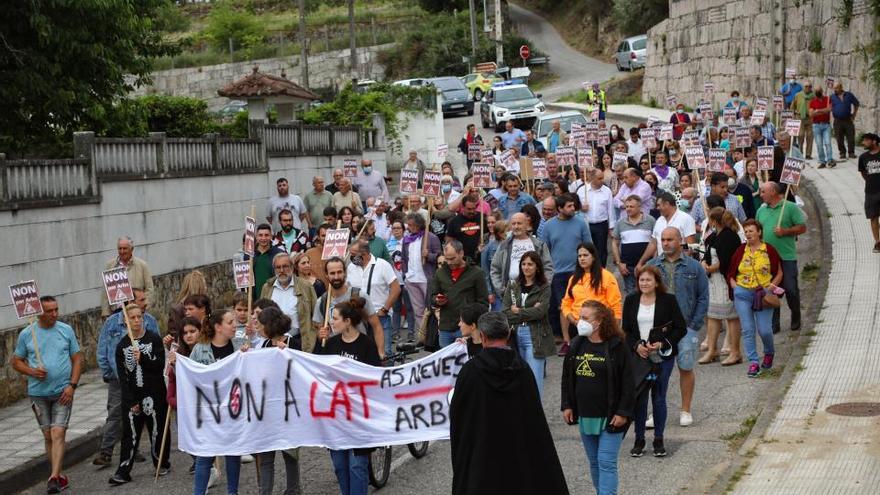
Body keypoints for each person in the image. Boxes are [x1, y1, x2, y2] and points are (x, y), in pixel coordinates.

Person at [450, 312, 569, 495]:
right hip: (519, 455)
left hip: (482, 458)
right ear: (508, 335)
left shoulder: (470, 372)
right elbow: (534, 419)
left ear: (482, 336)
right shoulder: (523, 370)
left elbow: (459, 418)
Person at [561, 300, 635, 494]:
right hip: (586, 414)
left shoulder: (617, 346)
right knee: (594, 463)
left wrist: (623, 412)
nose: (580, 322)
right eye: (579, 317)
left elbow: (628, 382)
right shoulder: (577, 344)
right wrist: (567, 405)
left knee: (606, 461)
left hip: (611, 416)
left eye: (585, 318)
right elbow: (567, 377)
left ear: (600, 321)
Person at [11, 296, 83, 493]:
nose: (55, 314)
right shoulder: (27, 334)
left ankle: (52, 478)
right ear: (38, 312)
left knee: (58, 432)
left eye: (56, 309)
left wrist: (72, 385)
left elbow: (77, 358)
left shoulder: (65, 330)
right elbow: (16, 361)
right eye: (49, 311)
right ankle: (58, 474)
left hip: (63, 392)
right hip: (38, 393)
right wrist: (32, 371)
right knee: (48, 435)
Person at [313, 297, 380, 495]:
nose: (331, 322)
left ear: (347, 321)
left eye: (335, 318)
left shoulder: (366, 345)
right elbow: (314, 368)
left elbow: (375, 377)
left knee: (356, 467)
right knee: (340, 466)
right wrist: (319, 342)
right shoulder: (331, 343)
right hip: (336, 417)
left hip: (359, 416)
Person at [646, 227, 709, 427]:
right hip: (659, 330)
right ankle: (657, 411)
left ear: (680, 240)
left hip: (685, 327)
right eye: (662, 240)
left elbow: (703, 297)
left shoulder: (694, 267)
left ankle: (686, 410)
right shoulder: (652, 266)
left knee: (686, 367)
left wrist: (694, 326)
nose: (665, 243)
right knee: (658, 371)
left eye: (670, 239)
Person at [622, 266, 687, 458]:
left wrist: (662, 343)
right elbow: (626, 330)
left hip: (662, 356)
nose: (644, 283)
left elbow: (680, 328)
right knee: (640, 398)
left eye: (648, 280)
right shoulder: (631, 300)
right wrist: (636, 346)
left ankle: (659, 438)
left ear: (657, 282)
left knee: (658, 397)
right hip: (639, 357)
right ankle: (639, 438)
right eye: (641, 280)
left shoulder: (669, 300)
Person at [94, 288, 159, 467]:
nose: (145, 303)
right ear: (129, 303)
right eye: (141, 299)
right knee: (115, 413)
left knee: (139, 413)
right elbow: (102, 349)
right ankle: (106, 452)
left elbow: (157, 346)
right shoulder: (112, 323)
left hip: (141, 377)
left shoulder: (151, 321)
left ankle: (134, 448)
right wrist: (108, 373)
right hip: (118, 378)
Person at [108, 303, 170, 485]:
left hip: (154, 393)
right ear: (126, 321)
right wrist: (131, 401)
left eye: (139, 317)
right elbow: (123, 377)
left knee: (156, 430)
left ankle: (161, 461)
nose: (136, 321)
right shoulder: (122, 346)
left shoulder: (154, 339)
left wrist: (143, 359)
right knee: (130, 433)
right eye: (132, 318)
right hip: (134, 395)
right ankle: (124, 469)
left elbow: (159, 367)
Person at [189, 309, 247, 495]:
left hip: (233, 410)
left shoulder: (239, 346)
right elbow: (190, 375)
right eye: (230, 322)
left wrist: (248, 355)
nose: (235, 324)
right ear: (218, 327)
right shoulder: (200, 349)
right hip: (209, 412)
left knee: (232, 453)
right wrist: (176, 364)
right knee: (205, 455)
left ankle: (233, 492)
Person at [727, 219, 784, 377]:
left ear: (759, 232)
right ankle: (753, 362)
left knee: (765, 330)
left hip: (763, 294)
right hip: (743, 293)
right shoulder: (740, 251)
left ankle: (769, 352)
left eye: (751, 230)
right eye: (746, 231)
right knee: (747, 329)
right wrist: (735, 287)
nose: (748, 234)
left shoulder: (769, 250)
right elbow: (731, 272)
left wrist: (771, 287)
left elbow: (779, 271)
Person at [538, 194, 592, 353]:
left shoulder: (581, 223)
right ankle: (566, 340)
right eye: (569, 206)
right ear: (559, 209)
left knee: (582, 305)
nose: (573, 209)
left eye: (573, 206)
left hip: (579, 272)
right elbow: (543, 251)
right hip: (558, 274)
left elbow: (589, 247)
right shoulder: (548, 226)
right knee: (563, 307)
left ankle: (583, 337)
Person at [501, 251, 554, 398]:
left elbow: (540, 312)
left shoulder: (544, 287)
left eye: (530, 264)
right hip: (516, 335)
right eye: (523, 264)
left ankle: (535, 416)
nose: (526, 267)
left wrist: (518, 311)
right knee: (518, 378)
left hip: (535, 336)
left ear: (537, 267)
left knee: (535, 379)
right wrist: (529, 310)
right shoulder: (513, 286)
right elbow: (505, 312)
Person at [755, 182, 806, 333]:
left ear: (773, 192)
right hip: (767, 259)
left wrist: (785, 231)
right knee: (773, 289)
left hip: (786, 256)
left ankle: (796, 315)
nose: (761, 194)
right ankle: (774, 323)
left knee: (790, 288)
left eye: (763, 191)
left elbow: (802, 227)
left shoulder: (789, 207)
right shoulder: (761, 210)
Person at [312, 257, 386, 357]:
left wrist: (381, 352)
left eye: (339, 272)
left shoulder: (360, 295)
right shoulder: (322, 302)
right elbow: (320, 331)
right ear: (326, 275)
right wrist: (321, 335)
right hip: (335, 354)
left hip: (361, 352)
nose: (336, 277)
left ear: (345, 273)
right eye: (332, 273)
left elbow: (376, 326)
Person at [700, 208, 745, 365]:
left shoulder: (729, 236)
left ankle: (735, 352)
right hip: (713, 283)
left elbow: (727, 260)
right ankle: (713, 350)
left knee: (731, 317)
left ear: (713, 221)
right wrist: (704, 263)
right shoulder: (714, 236)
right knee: (713, 316)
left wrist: (711, 268)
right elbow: (707, 253)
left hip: (725, 281)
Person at [347, 238, 400, 357]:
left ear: (364, 253)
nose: (351, 257)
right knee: (363, 354)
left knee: (384, 354)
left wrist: (385, 309)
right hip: (359, 319)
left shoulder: (382, 265)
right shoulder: (351, 268)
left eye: (353, 254)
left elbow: (396, 288)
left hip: (380, 317)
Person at [430, 239, 489, 347]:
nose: (449, 262)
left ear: (461, 253)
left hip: (467, 328)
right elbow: (432, 297)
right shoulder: (440, 272)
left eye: (452, 258)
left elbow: (483, 303)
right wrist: (437, 300)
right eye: (446, 259)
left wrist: (472, 325)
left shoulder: (476, 273)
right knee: (446, 361)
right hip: (445, 327)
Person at [561, 243, 623, 344]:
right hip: (577, 327)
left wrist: (615, 330)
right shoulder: (573, 279)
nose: (582, 258)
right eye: (579, 256)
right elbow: (566, 303)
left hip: (600, 327)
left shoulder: (607, 276)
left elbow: (616, 305)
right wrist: (573, 321)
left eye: (585, 255)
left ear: (593, 257)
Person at [259, 252, 317, 351]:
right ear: (274, 270)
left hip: (299, 340)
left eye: (285, 266)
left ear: (292, 267)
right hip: (274, 341)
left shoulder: (306, 286)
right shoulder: (267, 288)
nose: (282, 270)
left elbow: (315, 315)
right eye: (278, 267)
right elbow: (261, 314)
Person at [491, 212, 554, 297]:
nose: (516, 226)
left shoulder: (539, 245)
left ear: (526, 224)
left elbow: (548, 267)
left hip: (535, 293)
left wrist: (543, 288)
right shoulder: (504, 245)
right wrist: (502, 291)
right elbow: (495, 269)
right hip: (510, 293)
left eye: (519, 223)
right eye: (513, 224)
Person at [401, 212, 441, 333]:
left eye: (412, 225)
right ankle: (423, 335)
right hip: (411, 279)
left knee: (431, 308)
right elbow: (404, 258)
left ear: (419, 225)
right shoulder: (407, 239)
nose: (409, 227)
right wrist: (405, 274)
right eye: (408, 225)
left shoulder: (431, 237)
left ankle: (435, 334)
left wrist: (428, 255)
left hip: (426, 279)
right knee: (418, 310)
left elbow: (440, 256)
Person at [612, 195, 657, 295]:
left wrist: (654, 262)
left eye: (631, 206)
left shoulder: (650, 221)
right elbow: (615, 243)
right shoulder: (620, 223)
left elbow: (655, 242)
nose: (628, 209)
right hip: (628, 268)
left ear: (639, 206)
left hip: (647, 266)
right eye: (627, 206)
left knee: (648, 294)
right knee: (631, 296)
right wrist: (619, 263)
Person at [101, 236, 154, 317]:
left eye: (125, 248)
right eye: (120, 248)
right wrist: (106, 313)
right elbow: (106, 291)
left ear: (131, 249)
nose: (122, 251)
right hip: (116, 312)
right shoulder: (110, 265)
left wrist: (144, 308)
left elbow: (149, 290)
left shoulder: (142, 265)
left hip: (136, 311)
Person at [581, 170, 615, 268]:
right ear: (592, 178)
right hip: (586, 225)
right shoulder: (582, 191)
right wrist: (581, 208)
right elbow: (575, 207)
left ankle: (601, 271)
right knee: (587, 249)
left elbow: (610, 209)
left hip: (601, 225)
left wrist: (611, 227)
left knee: (601, 250)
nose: (602, 180)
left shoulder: (607, 191)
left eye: (602, 178)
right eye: (599, 178)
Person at [167, 270, 208, 338]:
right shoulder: (177, 310)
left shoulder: (204, 304)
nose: (206, 288)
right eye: (204, 285)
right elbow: (175, 335)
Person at [445, 194, 484, 262]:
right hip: (462, 259)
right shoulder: (454, 221)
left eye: (474, 208)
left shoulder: (482, 218)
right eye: (469, 209)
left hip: (480, 257)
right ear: (463, 207)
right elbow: (449, 242)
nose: (472, 211)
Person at [858, 133, 880, 253]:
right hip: (871, 192)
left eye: (866, 141)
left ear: (874, 141)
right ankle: (877, 242)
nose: (863, 143)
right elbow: (863, 172)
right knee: (873, 217)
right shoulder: (863, 157)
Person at [481, 217, 508, 311]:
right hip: (496, 292)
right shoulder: (488, 249)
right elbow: (485, 272)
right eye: (506, 232)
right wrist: (489, 292)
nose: (508, 234)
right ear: (499, 233)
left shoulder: (512, 245)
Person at [253, 223, 285, 300]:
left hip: (275, 296)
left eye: (266, 235)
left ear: (271, 236)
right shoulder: (250, 255)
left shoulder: (279, 254)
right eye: (260, 235)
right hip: (255, 298)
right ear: (256, 237)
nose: (263, 238)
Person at [830, 82, 860, 160]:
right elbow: (828, 107)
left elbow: (856, 104)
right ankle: (842, 153)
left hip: (848, 119)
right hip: (837, 120)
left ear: (841, 87)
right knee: (839, 138)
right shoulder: (832, 97)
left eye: (836, 88)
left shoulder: (849, 95)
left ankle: (851, 152)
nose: (835, 90)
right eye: (834, 88)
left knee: (850, 136)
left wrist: (854, 114)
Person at [809, 87, 835, 168]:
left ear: (822, 91)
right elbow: (811, 114)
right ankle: (822, 161)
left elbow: (829, 109)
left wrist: (818, 111)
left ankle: (830, 160)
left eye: (819, 91)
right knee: (819, 144)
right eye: (816, 91)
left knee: (828, 143)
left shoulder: (827, 99)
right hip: (816, 125)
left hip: (826, 125)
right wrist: (823, 111)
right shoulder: (812, 102)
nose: (817, 92)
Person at [792, 81, 815, 159]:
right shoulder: (798, 95)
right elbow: (793, 106)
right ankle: (800, 153)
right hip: (800, 117)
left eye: (809, 86)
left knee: (810, 136)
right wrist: (794, 114)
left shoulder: (814, 96)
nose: (808, 88)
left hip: (810, 118)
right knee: (800, 136)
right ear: (803, 87)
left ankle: (808, 154)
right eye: (806, 86)